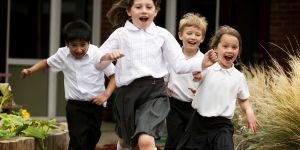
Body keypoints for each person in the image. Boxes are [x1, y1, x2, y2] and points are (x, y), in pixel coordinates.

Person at [97, 0, 217, 149]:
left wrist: (202, 63)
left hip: (154, 93)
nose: (144, 11)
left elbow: (179, 65)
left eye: (149, 7)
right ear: (129, 11)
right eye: (138, 7)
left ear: (156, 11)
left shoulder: (162, 35)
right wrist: (108, 56)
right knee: (125, 141)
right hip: (127, 94)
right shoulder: (120, 34)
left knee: (146, 140)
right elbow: (97, 62)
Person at [20, 20, 116, 150]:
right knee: (77, 139)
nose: (78, 49)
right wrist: (30, 70)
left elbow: (113, 76)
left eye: (83, 45)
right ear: (67, 44)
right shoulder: (63, 54)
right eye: (74, 45)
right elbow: (46, 63)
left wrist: (105, 95)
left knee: (92, 138)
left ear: (89, 42)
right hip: (75, 106)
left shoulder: (98, 54)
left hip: (95, 104)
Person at [176, 25, 258, 150]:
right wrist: (198, 74)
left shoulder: (238, 77)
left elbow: (243, 99)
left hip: (222, 125)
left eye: (234, 47)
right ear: (215, 48)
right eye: (225, 46)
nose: (230, 50)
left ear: (238, 50)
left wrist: (249, 111)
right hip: (199, 123)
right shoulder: (208, 68)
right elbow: (198, 76)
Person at [163, 12, 208, 150]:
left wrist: (202, 78)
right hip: (174, 105)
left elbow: (209, 83)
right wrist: (164, 88)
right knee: (175, 137)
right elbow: (164, 76)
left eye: (197, 34)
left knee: (190, 141)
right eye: (189, 33)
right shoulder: (173, 56)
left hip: (194, 107)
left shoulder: (205, 60)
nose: (193, 37)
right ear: (180, 35)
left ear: (202, 38)